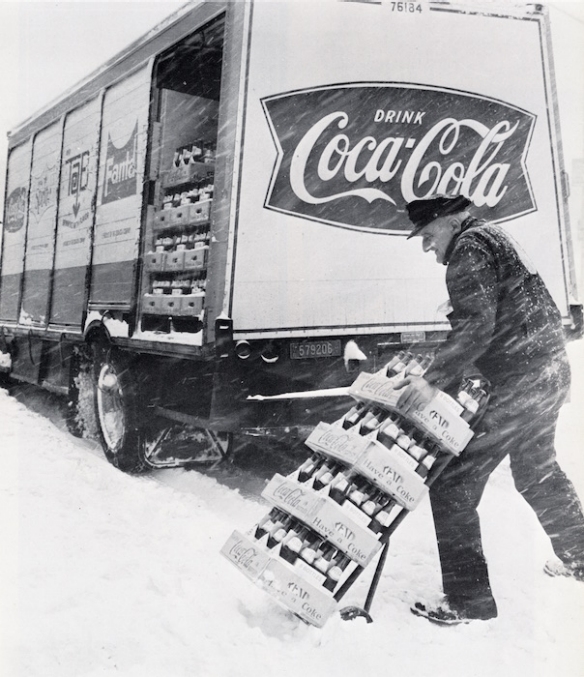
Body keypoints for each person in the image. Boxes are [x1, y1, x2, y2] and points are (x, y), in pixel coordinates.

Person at [395, 193, 584, 625]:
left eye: (426, 236)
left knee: (453, 485)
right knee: (539, 472)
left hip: (520, 382)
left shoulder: (469, 248)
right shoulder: (493, 236)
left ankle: (469, 602)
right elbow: (504, 309)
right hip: (548, 372)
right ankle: (583, 558)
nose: (427, 247)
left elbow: (477, 326)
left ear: (448, 221)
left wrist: (431, 379)